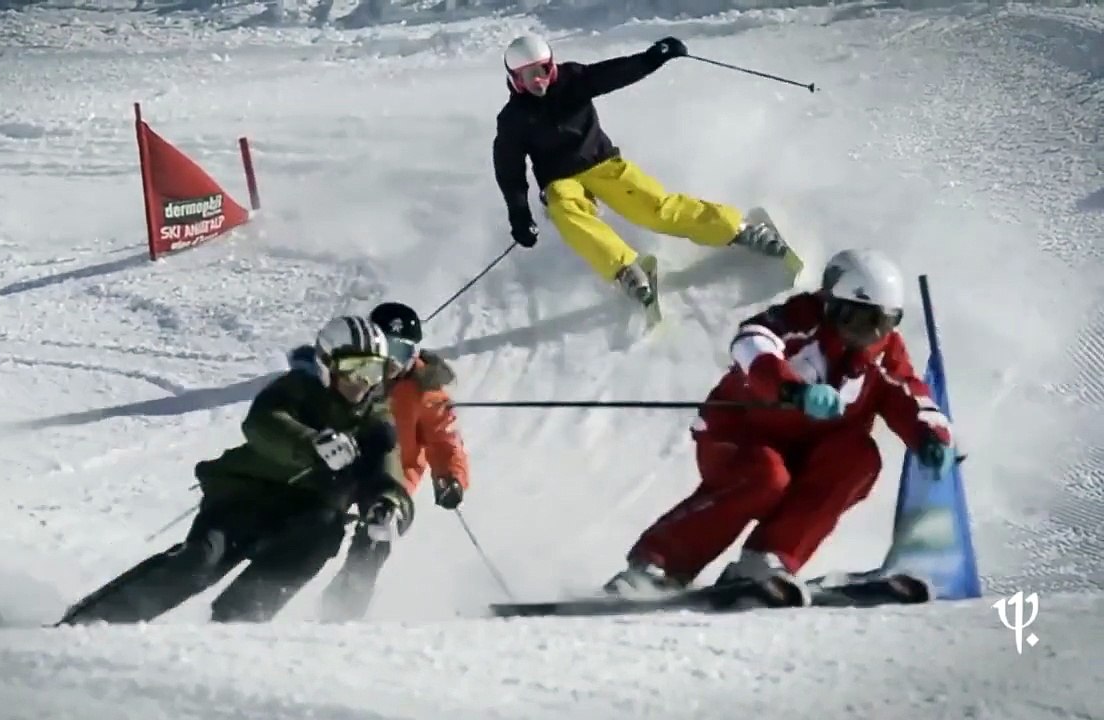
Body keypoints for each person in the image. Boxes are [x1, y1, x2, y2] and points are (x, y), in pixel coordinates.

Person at [603, 248, 958, 600]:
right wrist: (790, 388)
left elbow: (909, 393)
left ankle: (765, 560)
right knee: (765, 477)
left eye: (881, 323)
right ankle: (660, 565)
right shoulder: (800, 320)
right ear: (831, 304)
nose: (867, 334)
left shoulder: (882, 349)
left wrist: (931, 435)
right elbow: (752, 342)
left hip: (812, 449)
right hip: (740, 436)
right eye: (856, 319)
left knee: (859, 459)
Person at [55, 315, 415, 626]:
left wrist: (387, 503)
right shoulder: (297, 390)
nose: (361, 382)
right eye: (352, 369)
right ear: (326, 364)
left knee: (314, 541)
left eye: (372, 371)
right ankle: (92, 620)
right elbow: (263, 423)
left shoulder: (375, 420)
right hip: (247, 496)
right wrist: (311, 443)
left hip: (310, 514)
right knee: (200, 562)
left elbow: (387, 467)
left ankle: (236, 625)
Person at [492, 33, 790, 308]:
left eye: (543, 69)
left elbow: (613, 74)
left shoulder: (572, 79)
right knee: (563, 207)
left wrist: (652, 58)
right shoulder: (512, 120)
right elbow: (510, 170)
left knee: (654, 209)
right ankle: (623, 269)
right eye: (529, 75)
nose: (539, 80)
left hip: (603, 163)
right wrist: (519, 215)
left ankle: (736, 229)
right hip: (561, 180)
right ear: (515, 79)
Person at [318, 301, 472, 621]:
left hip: (395, 476)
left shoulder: (425, 390)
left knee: (377, 535)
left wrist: (450, 478)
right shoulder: (356, 372)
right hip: (345, 465)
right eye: (388, 351)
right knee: (316, 525)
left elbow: (444, 439)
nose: (393, 363)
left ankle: (342, 610)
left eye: (403, 353)